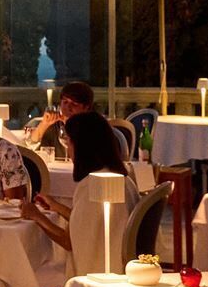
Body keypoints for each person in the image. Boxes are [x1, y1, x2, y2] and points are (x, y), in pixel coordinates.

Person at [21, 110, 135, 274]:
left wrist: (36, 216)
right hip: (121, 265)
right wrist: (57, 207)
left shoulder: (93, 185)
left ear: (82, 146)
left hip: (99, 273)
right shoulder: (123, 179)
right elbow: (93, 223)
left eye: (69, 143)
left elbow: (70, 241)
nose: (68, 151)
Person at [29, 80, 97, 145]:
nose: (68, 107)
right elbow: (31, 145)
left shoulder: (93, 128)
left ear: (86, 107)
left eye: (74, 104)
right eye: (65, 102)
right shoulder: (53, 125)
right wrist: (43, 124)